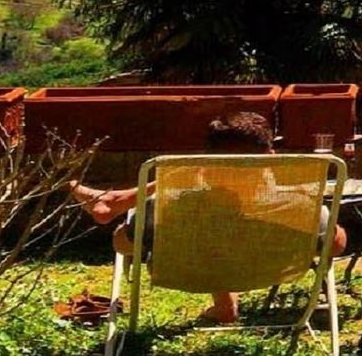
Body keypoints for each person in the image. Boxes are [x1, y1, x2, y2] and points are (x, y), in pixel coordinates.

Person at [68, 111, 346, 324]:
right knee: (223, 233)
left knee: (211, 232)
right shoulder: (296, 205)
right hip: (268, 270)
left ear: (208, 159)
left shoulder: (173, 206)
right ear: (270, 155)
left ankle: (113, 201)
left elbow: (123, 245)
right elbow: (335, 244)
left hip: (195, 269)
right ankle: (112, 201)